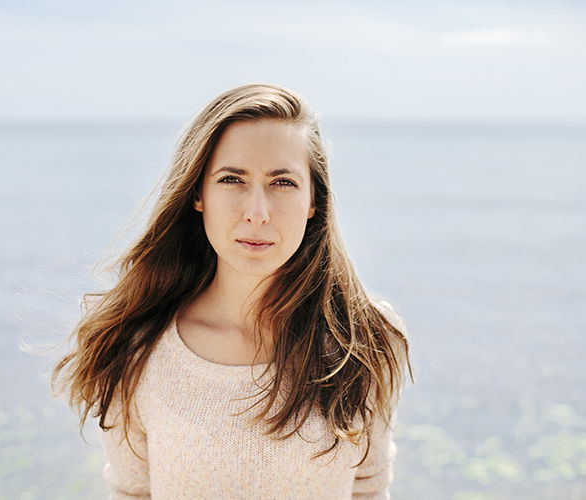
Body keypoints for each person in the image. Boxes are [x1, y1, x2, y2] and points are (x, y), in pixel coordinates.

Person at [51, 83, 413, 499]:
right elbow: (132, 492)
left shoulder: (365, 338)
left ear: (315, 200)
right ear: (198, 194)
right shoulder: (137, 348)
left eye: (282, 183)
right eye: (232, 179)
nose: (256, 212)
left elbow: (368, 490)